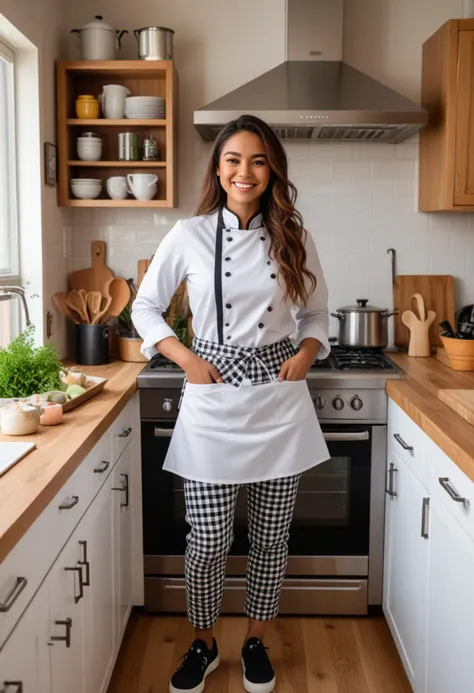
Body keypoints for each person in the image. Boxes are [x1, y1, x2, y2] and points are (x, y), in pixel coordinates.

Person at [132, 114, 330, 693]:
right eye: (235, 160)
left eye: (259, 161)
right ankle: (203, 641)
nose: (246, 172)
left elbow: (317, 314)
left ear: (272, 172)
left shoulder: (295, 235)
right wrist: (187, 359)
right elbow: (146, 308)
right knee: (209, 538)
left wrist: (307, 353)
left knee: (271, 535)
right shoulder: (188, 234)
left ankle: (254, 640)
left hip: (278, 389)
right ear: (218, 169)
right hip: (213, 388)